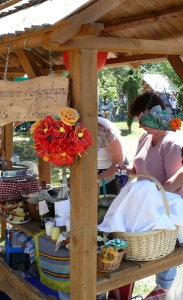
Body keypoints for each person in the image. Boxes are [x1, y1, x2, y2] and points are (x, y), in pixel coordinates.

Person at [117, 91, 183, 292]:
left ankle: (164, 292)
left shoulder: (172, 141)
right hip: (147, 210)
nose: (138, 125)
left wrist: (151, 199)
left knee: (165, 259)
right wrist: (129, 170)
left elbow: (176, 181)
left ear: (151, 113)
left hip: (167, 211)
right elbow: (141, 169)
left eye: (140, 119)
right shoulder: (145, 137)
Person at [97, 116, 127, 195]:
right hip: (88, 174)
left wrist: (96, 179)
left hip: (112, 175)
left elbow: (118, 165)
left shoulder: (104, 128)